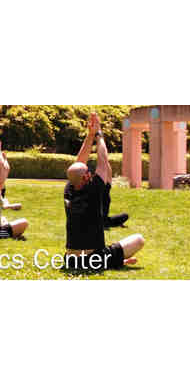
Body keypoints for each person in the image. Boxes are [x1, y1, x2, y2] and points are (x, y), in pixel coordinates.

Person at [63, 113, 144, 271]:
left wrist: (90, 135)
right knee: (138, 239)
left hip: (71, 260)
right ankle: (115, 261)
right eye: (88, 172)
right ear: (86, 177)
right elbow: (103, 160)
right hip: (94, 258)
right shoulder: (93, 190)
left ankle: (117, 261)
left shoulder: (69, 191)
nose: (91, 172)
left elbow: (79, 163)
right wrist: (99, 135)